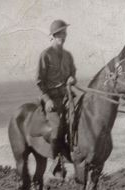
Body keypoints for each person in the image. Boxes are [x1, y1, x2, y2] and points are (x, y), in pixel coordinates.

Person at [36, 19, 77, 171]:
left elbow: (73, 72)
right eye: (60, 34)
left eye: (64, 33)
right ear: (53, 36)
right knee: (57, 127)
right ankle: (55, 161)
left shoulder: (68, 55)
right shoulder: (45, 55)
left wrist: (73, 78)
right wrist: (46, 100)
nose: (63, 36)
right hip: (51, 99)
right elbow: (39, 81)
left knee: (79, 118)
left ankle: (73, 152)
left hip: (67, 96)